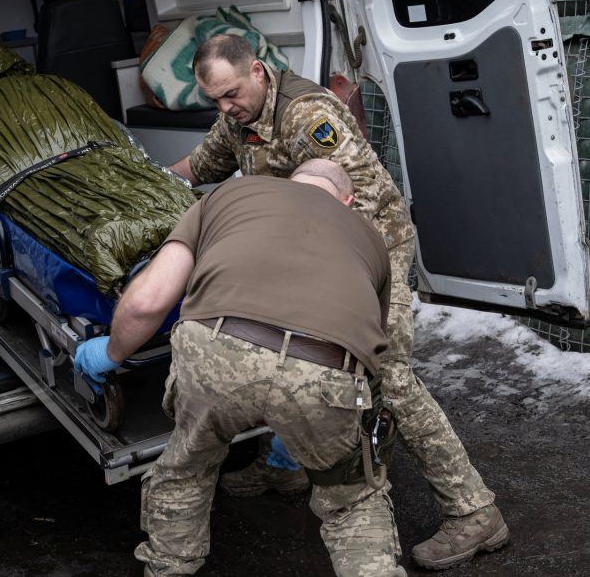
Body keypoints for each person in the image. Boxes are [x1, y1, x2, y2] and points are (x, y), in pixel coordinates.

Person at [168, 34, 508, 570]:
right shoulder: (239, 117)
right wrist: (153, 183)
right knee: (280, 345)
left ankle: (473, 511)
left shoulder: (308, 115)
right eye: (215, 100)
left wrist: (331, 292)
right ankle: (285, 466)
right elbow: (204, 165)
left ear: (258, 71)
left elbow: (360, 200)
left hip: (369, 246)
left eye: (231, 94)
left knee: (388, 378)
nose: (225, 108)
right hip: (300, 247)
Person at [75, 161, 404, 576]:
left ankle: (168, 570)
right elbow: (372, 344)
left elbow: (147, 302)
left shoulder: (231, 195)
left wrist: (111, 354)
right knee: (353, 502)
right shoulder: (370, 239)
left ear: (287, 184)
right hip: (325, 370)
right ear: (347, 201)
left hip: (217, 347)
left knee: (186, 471)